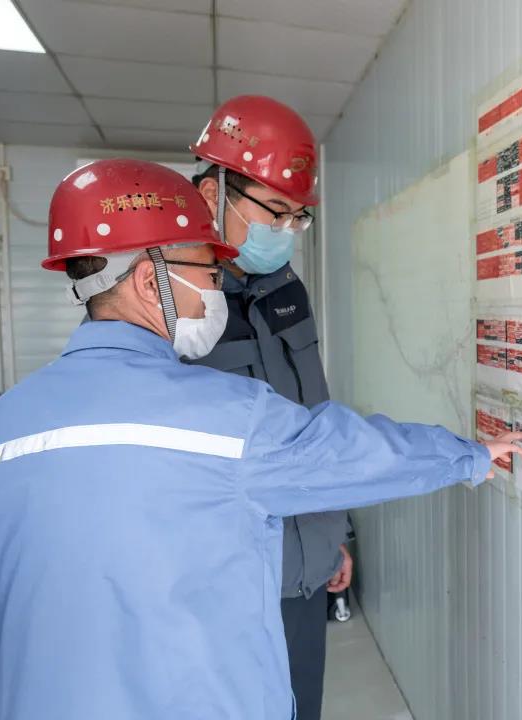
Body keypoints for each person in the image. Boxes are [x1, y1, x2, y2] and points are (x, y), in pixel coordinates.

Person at [0, 159, 522, 720]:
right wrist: (470, 456)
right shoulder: (227, 419)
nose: (215, 293)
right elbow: (348, 452)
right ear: (148, 281)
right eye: (209, 274)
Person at [186, 96, 347, 720]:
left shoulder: (287, 289)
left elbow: (315, 420)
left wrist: (333, 537)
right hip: (218, 585)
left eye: (297, 217)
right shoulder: (172, 303)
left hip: (301, 574)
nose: (285, 231)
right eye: (275, 212)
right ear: (212, 194)